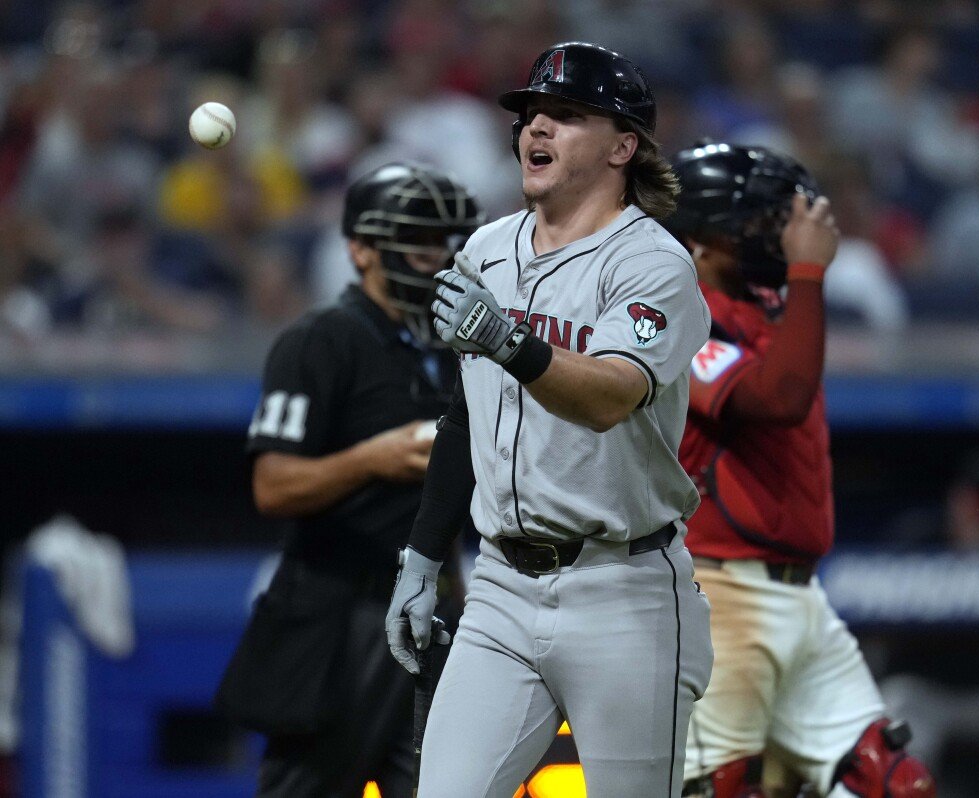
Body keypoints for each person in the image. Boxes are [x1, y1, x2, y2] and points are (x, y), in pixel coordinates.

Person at [383, 41, 716, 797]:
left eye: (566, 116)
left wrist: (506, 338)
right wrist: (424, 560)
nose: (538, 128)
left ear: (622, 146)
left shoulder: (651, 263)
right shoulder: (487, 249)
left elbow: (609, 396)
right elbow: (465, 417)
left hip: (624, 590)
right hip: (500, 586)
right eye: (532, 114)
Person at [666, 143, 935, 798]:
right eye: (753, 221)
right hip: (719, 590)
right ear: (699, 236)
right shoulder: (667, 308)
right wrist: (811, 272)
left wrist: (802, 278)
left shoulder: (765, 301)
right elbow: (775, 400)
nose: (772, 234)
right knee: (721, 789)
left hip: (801, 596)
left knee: (894, 785)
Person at [214, 162, 483, 798]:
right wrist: (371, 459)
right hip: (338, 611)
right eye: (417, 242)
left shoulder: (452, 347)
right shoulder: (318, 341)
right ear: (360, 248)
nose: (435, 257)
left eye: (446, 243)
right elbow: (272, 487)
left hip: (430, 609)